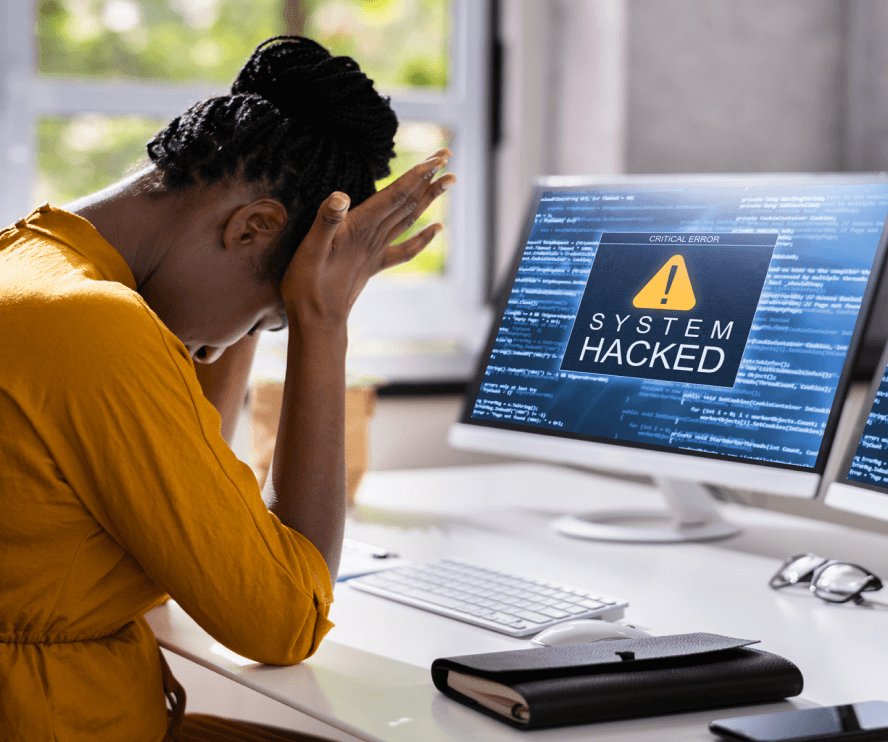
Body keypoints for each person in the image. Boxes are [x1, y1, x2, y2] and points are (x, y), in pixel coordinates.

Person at [0, 36, 454, 741]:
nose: (225, 345)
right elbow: (283, 619)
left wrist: (282, 292)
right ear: (253, 226)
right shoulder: (92, 327)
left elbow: (182, 490)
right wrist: (321, 319)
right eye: (270, 316)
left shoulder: (26, 263)